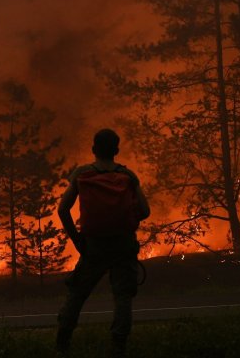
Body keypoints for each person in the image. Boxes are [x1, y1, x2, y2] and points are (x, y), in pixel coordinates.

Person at [55, 129, 150, 358]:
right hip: (124, 246)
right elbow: (145, 210)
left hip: (94, 246)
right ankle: (118, 348)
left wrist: (78, 241)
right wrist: (128, 222)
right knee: (123, 297)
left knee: (77, 294)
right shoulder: (127, 176)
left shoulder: (82, 174)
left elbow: (62, 209)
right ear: (116, 151)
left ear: (93, 149)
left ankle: (62, 345)